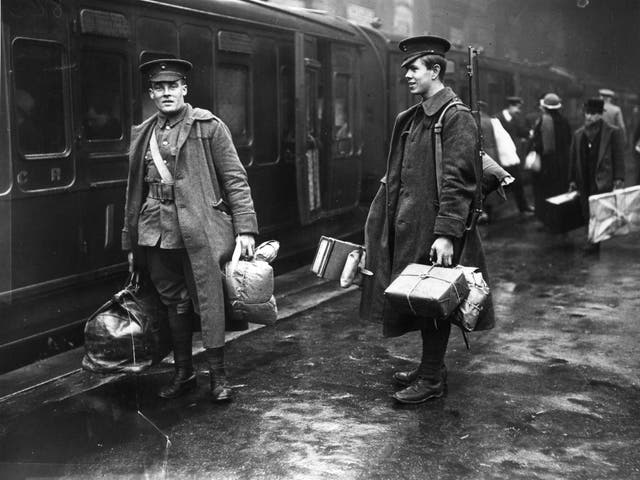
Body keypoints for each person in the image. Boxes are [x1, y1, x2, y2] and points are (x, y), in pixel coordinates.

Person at [360, 35, 494, 404]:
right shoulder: (415, 117)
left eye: (414, 69)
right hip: (411, 226)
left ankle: (432, 379)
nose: (407, 76)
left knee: (435, 300)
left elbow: (459, 182)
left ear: (435, 71)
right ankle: (429, 368)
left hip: (434, 230)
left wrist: (447, 234)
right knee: (422, 299)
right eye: (406, 69)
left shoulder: (455, 118)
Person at [122, 59, 258, 402]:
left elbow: (235, 180)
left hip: (200, 230)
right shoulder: (144, 133)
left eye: (173, 86)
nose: (166, 93)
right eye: (159, 87)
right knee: (173, 302)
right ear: (151, 93)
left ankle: (218, 378)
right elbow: (133, 190)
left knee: (208, 301)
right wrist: (130, 238)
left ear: (185, 89)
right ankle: (184, 374)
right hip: (155, 231)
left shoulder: (208, 126)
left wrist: (245, 229)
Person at [568, 98, 625, 255]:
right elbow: (573, 159)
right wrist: (572, 180)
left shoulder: (612, 132)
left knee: (598, 210)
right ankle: (592, 239)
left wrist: (619, 178)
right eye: (587, 113)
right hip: (583, 177)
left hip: (603, 178)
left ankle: (594, 242)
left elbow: (618, 156)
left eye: (593, 114)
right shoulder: (578, 134)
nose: (589, 117)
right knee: (586, 210)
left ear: (601, 115)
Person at [529, 92, 572, 226]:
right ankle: (560, 220)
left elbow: (541, 145)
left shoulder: (544, 120)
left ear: (545, 107)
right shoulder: (565, 121)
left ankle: (548, 221)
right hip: (563, 163)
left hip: (547, 163)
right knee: (559, 191)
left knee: (545, 192)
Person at [495, 96, 535, 215]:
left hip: (510, 155)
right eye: (517, 107)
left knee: (517, 182)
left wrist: (529, 134)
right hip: (499, 155)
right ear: (510, 106)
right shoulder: (498, 118)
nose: (519, 110)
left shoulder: (515, 118)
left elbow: (521, 131)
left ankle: (523, 207)